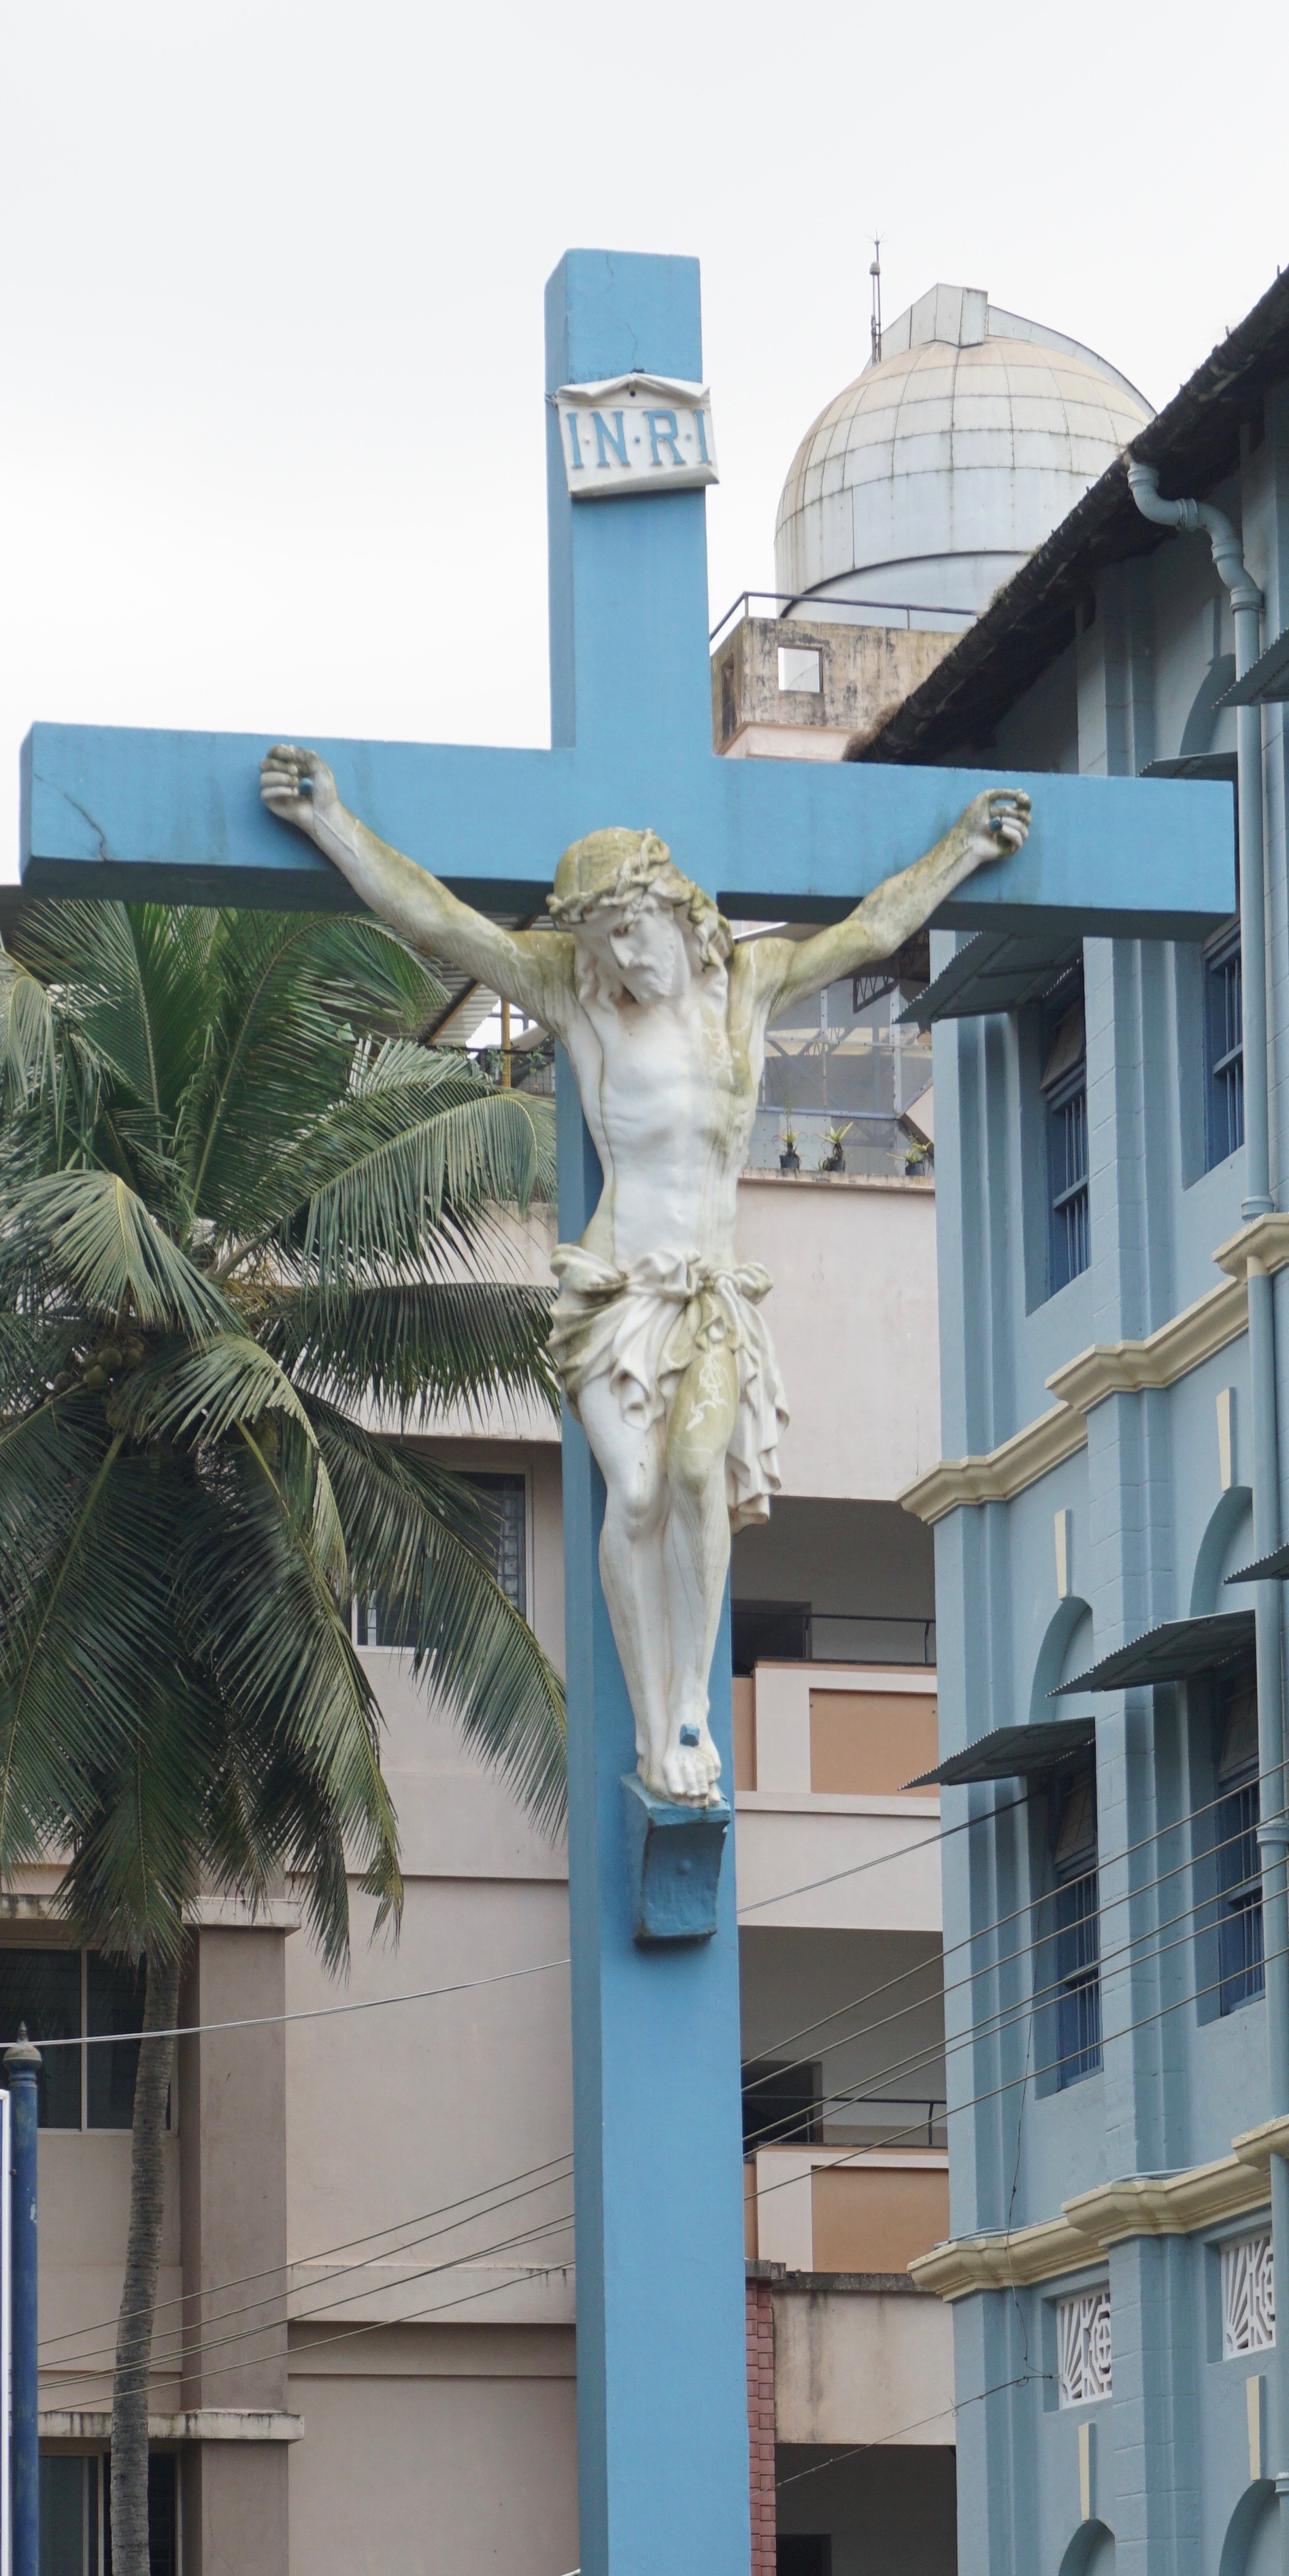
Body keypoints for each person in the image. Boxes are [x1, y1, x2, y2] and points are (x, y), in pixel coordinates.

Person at [258, 747, 1030, 1803]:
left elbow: (870, 932)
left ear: (675, 907)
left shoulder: (748, 984)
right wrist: (331, 823)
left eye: (631, 928)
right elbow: (441, 922)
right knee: (634, 1489)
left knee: (698, 1473)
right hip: (615, 1296)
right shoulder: (578, 1000)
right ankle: (656, 1725)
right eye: (600, 942)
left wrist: (964, 850)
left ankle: (689, 1707)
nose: (622, 957)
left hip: (709, 1297)